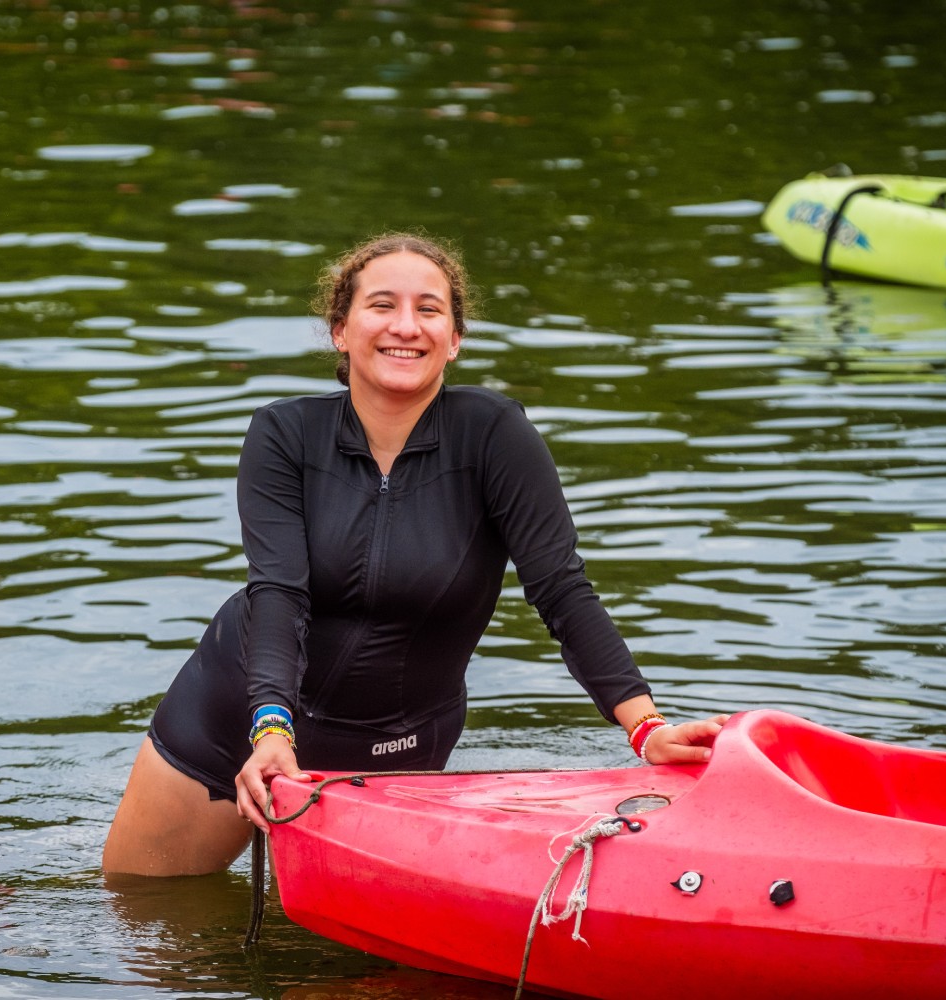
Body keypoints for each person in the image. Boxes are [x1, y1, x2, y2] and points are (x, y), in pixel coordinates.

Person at [102, 232, 728, 876]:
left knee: (333, 945)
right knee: (149, 916)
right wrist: (269, 730)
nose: (406, 326)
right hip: (238, 718)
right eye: (382, 305)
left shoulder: (495, 436)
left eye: (429, 309)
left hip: (399, 751)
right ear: (340, 330)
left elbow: (561, 590)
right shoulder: (284, 434)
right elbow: (280, 592)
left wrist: (647, 727)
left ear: (454, 338)